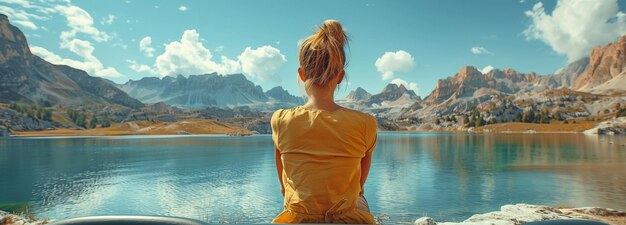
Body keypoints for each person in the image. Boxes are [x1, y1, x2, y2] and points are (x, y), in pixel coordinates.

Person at [270, 19, 378, 224]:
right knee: (360, 199)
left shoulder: (281, 119)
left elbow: (283, 183)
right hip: (345, 219)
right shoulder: (365, 123)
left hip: (298, 219)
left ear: (301, 74)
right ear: (340, 76)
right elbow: (360, 184)